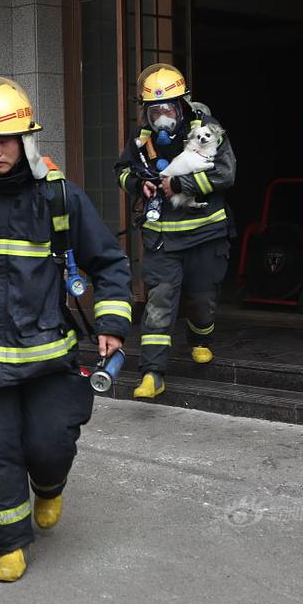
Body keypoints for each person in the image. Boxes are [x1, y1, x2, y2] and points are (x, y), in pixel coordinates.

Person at [0, 77, 133, 582]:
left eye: (4, 140)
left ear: (25, 140)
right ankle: (9, 541)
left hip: (48, 355)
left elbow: (109, 263)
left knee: (50, 444)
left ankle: (49, 487)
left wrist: (111, 321)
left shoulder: (60, 198)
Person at [115, 63, 237, 399]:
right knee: (159, 302)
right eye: (154, 112)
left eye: (167, 109)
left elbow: (226, 175)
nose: (162, 118)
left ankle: (200, 338)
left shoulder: (208, 129)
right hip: (162, 239)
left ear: (182, 105)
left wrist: (180, 183)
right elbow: (122, 171)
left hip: (206, 235)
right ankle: (153, 373)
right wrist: (140, 185)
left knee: (202, 300)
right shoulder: (142, 139)